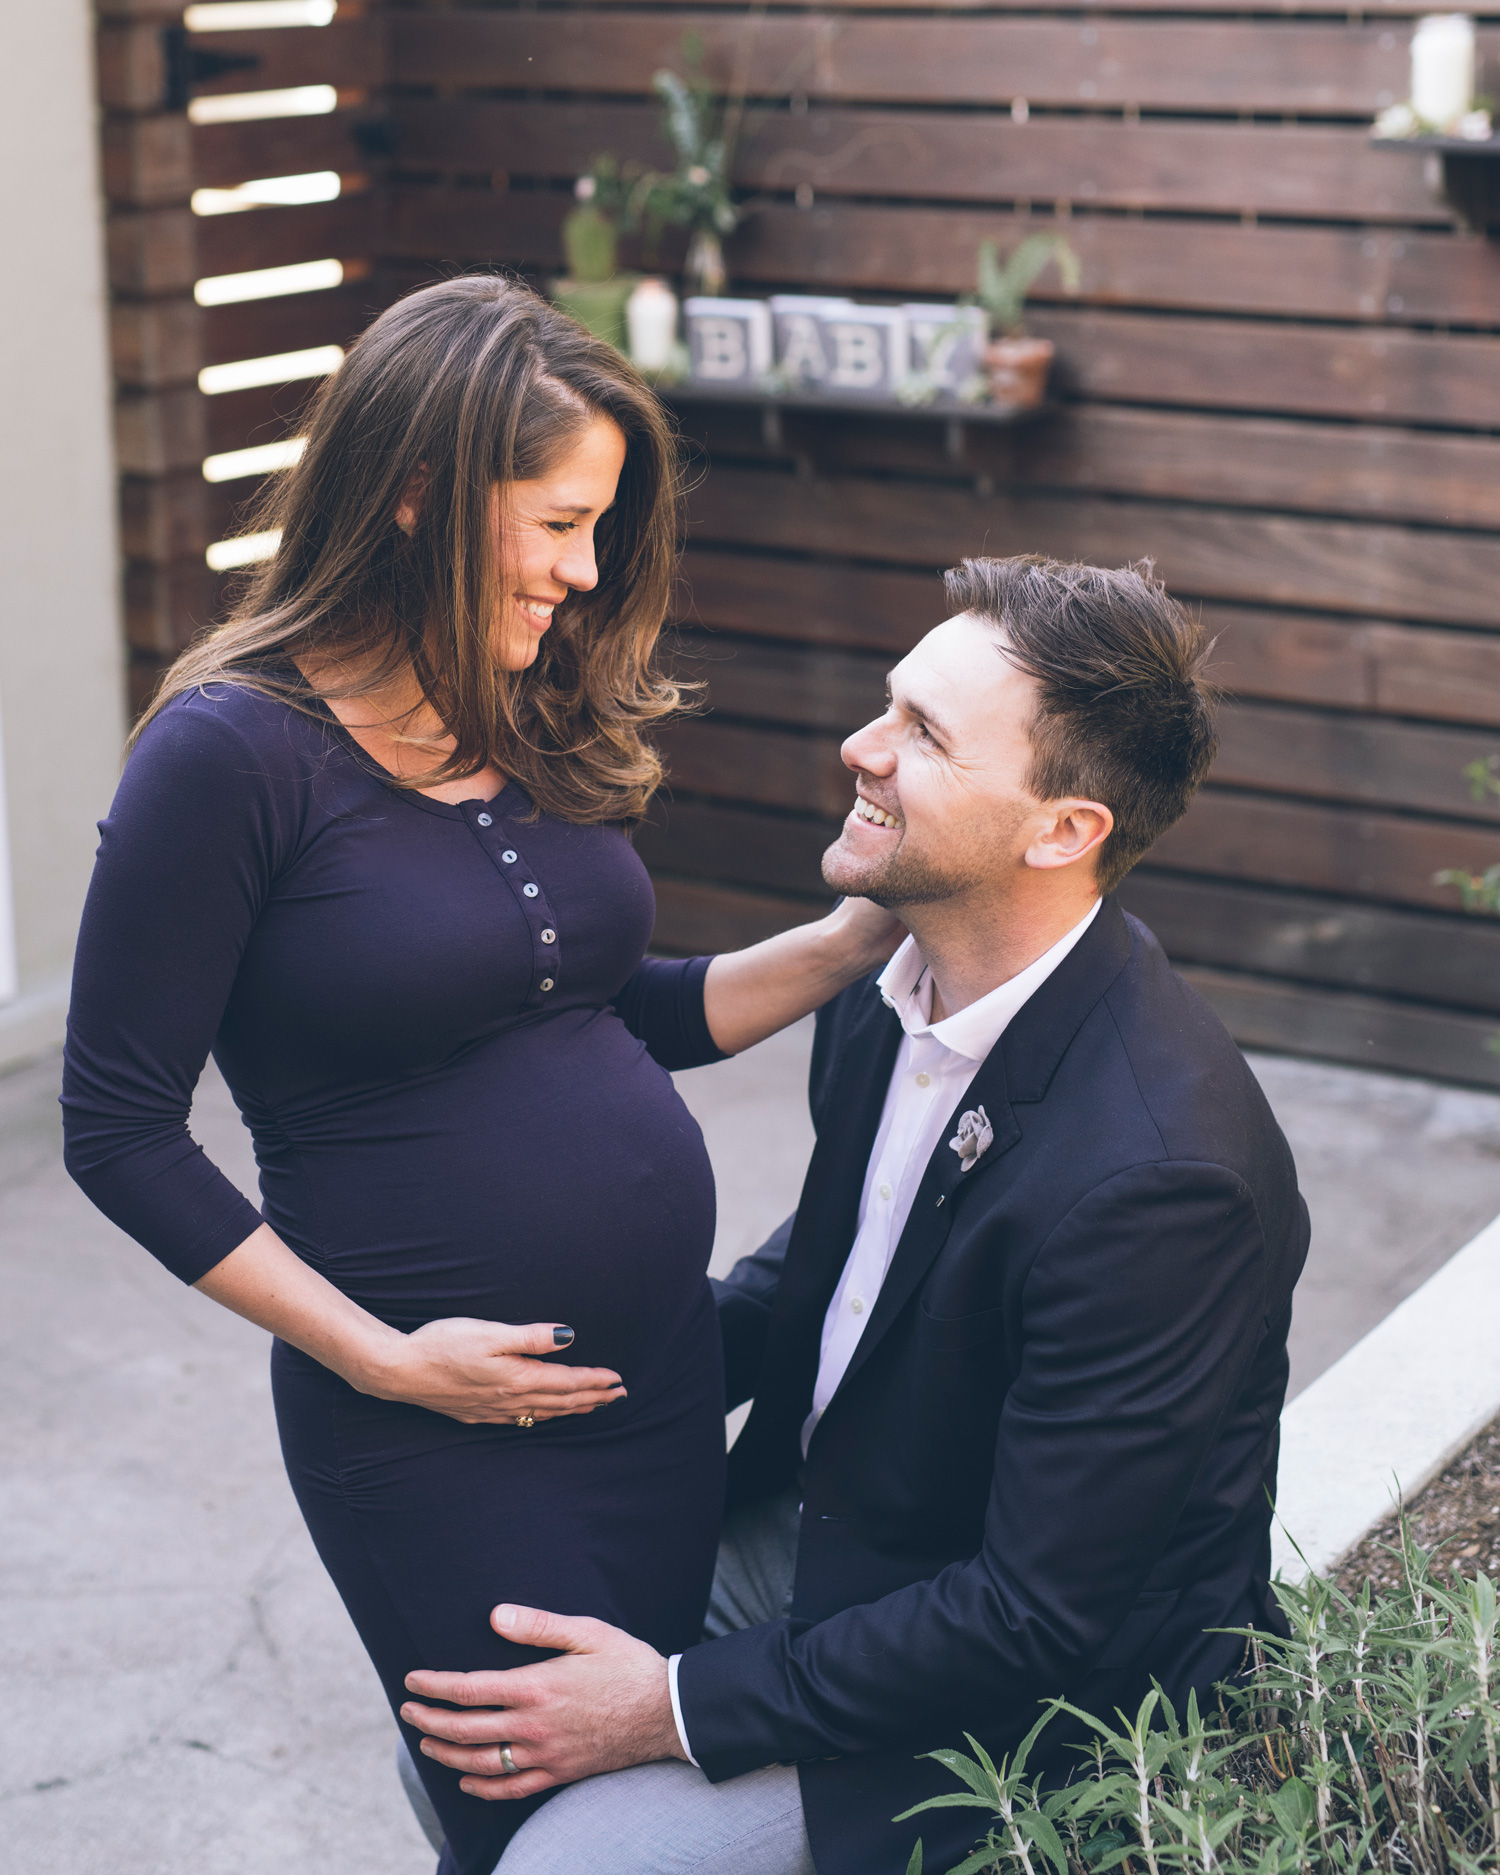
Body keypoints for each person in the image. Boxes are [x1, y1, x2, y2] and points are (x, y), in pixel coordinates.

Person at [60, 276, 899, 1875]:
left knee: (630, 1801)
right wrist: (382, 1359)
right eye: (561, 523)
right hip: (437, 1432)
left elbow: (605, 1011)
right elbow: (113, 1126)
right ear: (420, 490)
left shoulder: (518, 700)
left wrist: (864, 934)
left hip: (650, 1390)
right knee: (536, 1832)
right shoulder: (227, 755)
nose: (587, 575)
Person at [398, 554, 1311, 1875]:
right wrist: (548, 1379)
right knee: (460, 1710)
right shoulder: (895, 980)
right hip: (833, 1525)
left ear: (1063, 830)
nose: (859, 748)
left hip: (1022, 1707)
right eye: (891, 705)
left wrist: (661, 1712)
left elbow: (1032, 1616)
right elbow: (826, 1285)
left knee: (568, 1859)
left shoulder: (1164, 1181)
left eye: (924, 736)